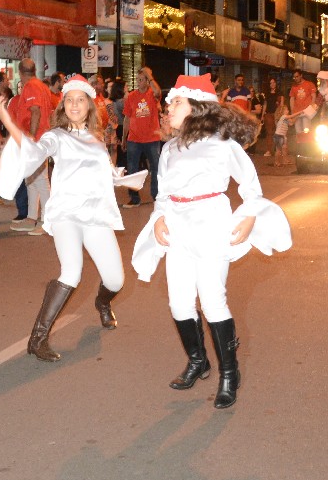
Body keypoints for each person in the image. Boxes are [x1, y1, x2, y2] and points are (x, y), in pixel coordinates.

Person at [131, 75, 292, 409]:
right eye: (170, 102)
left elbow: (250, 185)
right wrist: (159, 217)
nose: (168, 107)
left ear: (195, 106)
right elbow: (163, 193)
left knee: (212, 300)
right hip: (177, 225)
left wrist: (249, 214)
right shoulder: (170, 148)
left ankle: (229, 374)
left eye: (175, 102)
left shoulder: (223, 143)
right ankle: (198, 361)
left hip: (211, 223)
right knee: (178, 303)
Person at [0, 76, 148, 362]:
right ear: (63, 105)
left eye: (81, 100)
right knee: (71, 271)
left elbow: (105, 170)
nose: (75, 104)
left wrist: (120, 177)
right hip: (66, 212)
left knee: (115, 280)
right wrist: (8, 121)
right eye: (70, 99)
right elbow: (33, 152)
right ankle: (37, 339)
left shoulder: (97, 139)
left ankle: (102, 303)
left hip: (95, 214)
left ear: (89, 105)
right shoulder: (56, 136)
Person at [8, 58, 54, 233]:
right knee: (32, 179)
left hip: (36, 139)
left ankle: (47, 221)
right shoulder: (41, 86)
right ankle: (32, 217)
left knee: (40, 180)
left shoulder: (31, 87)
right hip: (37, 138)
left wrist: (32, 139)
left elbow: (35, 112)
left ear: (20, 72)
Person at [122, 66, 162, 207]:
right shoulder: (131, 97)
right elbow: (127, 118)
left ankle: (156, 195)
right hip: (134, 139)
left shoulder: (152, 94)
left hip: (152, 139)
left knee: (156, 167)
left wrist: (149, 75)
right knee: (132, 170)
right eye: (137, 80)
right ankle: (134, 198)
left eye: (141, 79)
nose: (138, 82)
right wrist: (124, 138)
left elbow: (157, 91)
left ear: (147, 81)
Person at [290, 70, 318, 134]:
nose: (295, 78)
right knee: (298, 132)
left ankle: (306, 144)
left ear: (301, 75)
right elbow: (292, 99)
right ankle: (300, 143)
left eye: (297, 76)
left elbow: (313, 96)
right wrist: (292, 111)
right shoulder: (294, 87)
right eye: (294, 77)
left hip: (306, 111)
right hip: (297, 112)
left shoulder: (309, 84)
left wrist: (311, 107)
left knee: (306, 130)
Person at [257, 77, 279, 156]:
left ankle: (278, 150)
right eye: (271, 83)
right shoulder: (267, 93)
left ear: (276, 83)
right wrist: (263, 115)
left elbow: (281, 103)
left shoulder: (279, 92)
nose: (272, 84)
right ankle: (269, 150)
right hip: (269, 114)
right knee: (269, 133)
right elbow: (265, 104)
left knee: (278, 132)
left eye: (273, 82)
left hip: (277, 114)